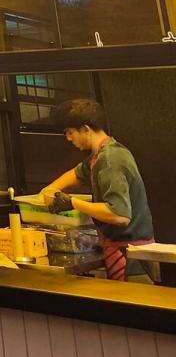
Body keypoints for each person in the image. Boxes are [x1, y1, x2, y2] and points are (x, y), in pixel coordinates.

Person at [40, 98, 155, 282]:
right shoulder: (99, 156)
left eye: (70, 132)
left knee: (134, 309)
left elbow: (119, 215)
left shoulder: (111, 159)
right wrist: (50, 189)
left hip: (133, 257)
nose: (68, 139)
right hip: (121, 251)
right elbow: (77, 174)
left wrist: (72, 203)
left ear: (85, 129)